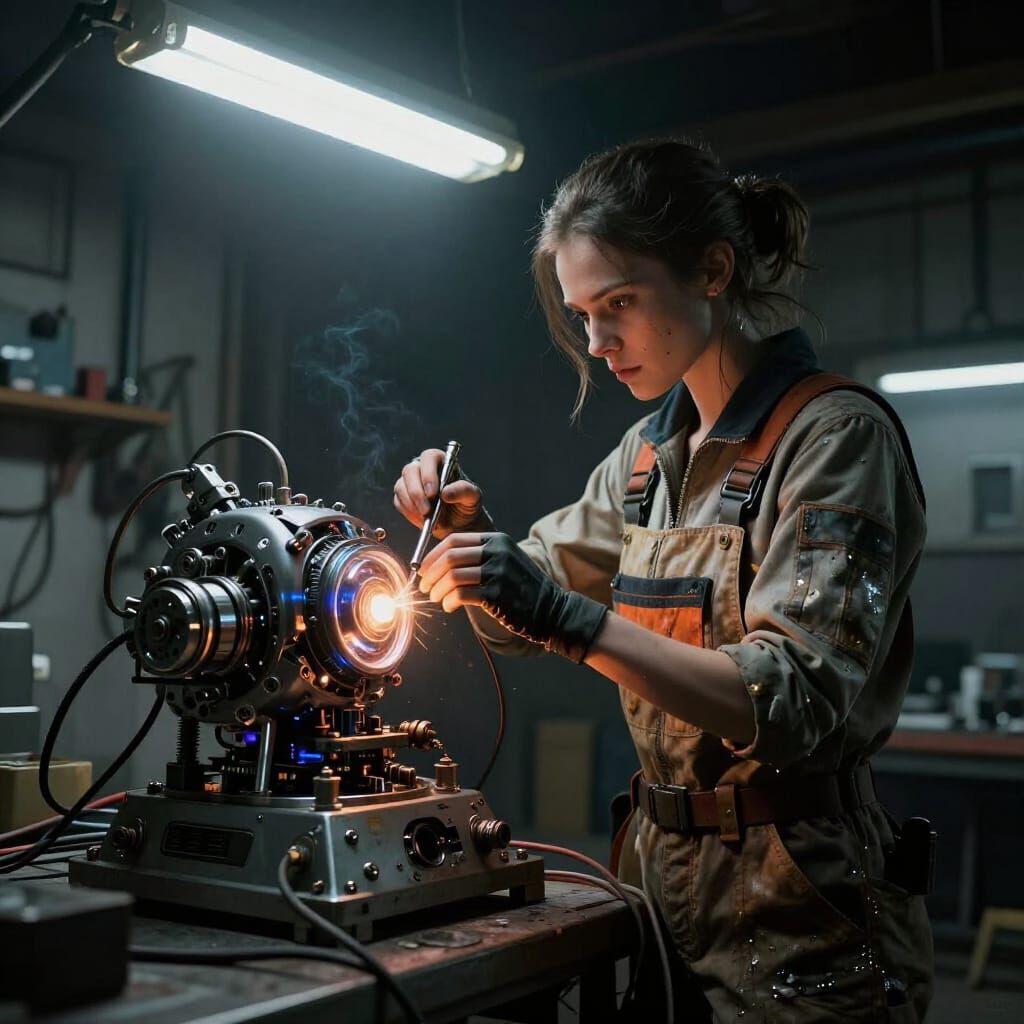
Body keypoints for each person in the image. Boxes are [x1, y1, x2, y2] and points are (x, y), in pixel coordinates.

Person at [393, 138, 933, 1022]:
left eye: (620, 304)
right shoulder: (646, 458)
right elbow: (522, 600)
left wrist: (564, 618)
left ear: (713, 269)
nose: (599, 343)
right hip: (655, 877)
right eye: (582, 315)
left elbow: (791, 697)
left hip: (802, 902)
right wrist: (471, 545)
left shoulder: (833, 439)